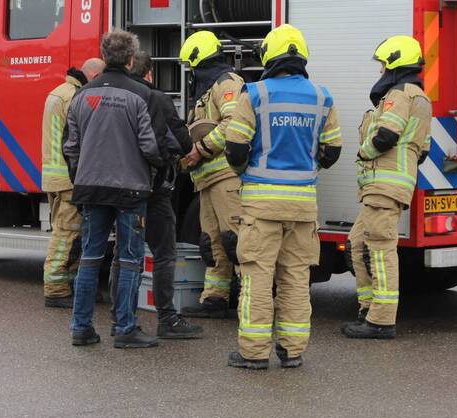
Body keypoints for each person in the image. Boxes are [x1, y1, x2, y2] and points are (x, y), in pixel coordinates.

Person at [223, 24, 341, 369]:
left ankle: (254, 353)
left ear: (268, 56)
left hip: (261, 204)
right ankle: (292, 351)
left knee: (257, 276)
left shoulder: (255, 94)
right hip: (303, 205)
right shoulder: (323, 97)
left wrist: (247, 169)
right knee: (295, 277)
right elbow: (332, 152)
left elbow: (234, 146)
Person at [62, 31, 164, 349]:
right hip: (131, 190)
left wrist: (80, 177)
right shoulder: (140, 95)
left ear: (105, 58)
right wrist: (158, 169)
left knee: (90, 257)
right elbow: (150, 146)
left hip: (90, 188)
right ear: (131, 59)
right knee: (130, 259)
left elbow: (70, 146)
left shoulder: (82, 95)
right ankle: (125, 328)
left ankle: (81, 327)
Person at [108, 51, 204, 339]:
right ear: (149, 73)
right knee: (164, 253)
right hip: (154, 189)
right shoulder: (157, 99)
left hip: (120, 187)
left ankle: (120, 317)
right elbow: (183, 142)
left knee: (122, 255)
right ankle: (166, 318)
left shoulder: (112, 98)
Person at [342, 35, 432, 340]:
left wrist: (363, 152)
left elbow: (385, 136)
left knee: (379, 250)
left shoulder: (399, 94)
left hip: (383, 185)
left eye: (382, 64)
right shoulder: (419, 97)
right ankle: (367, 309)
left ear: (394, 63)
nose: (380, 70)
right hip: (388, 186)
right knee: (357, 243)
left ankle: (380, 320)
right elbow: (423, 150)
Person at [177, 31, 245, 319]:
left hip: (226, 177)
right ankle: (214, 299)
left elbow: (233, 123)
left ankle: (251, 303)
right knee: (212, 241)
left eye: (191, 67)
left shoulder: (227, 83)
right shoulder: (209, 87)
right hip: (207, 179)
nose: (191, 73)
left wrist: (200, 149)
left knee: (237, 241)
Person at [41, 58, 105, 308]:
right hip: (69, 178)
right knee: (67, 234)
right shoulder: (76, 97)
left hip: (55, 176)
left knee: (66, 232)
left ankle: (66, 283)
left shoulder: (59, 92)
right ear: (92, 75)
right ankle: (56, 288)